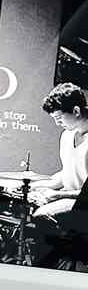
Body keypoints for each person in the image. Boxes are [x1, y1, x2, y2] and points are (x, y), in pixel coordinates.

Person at [31, 83, 88, 219]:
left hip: (83, 204)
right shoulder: (67, 135)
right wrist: (33, 186)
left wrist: (58, 195)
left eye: (59, 118)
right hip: (68, 196)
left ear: (76, 111)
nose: (57, 123)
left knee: (42, 214)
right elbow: (69, 175)